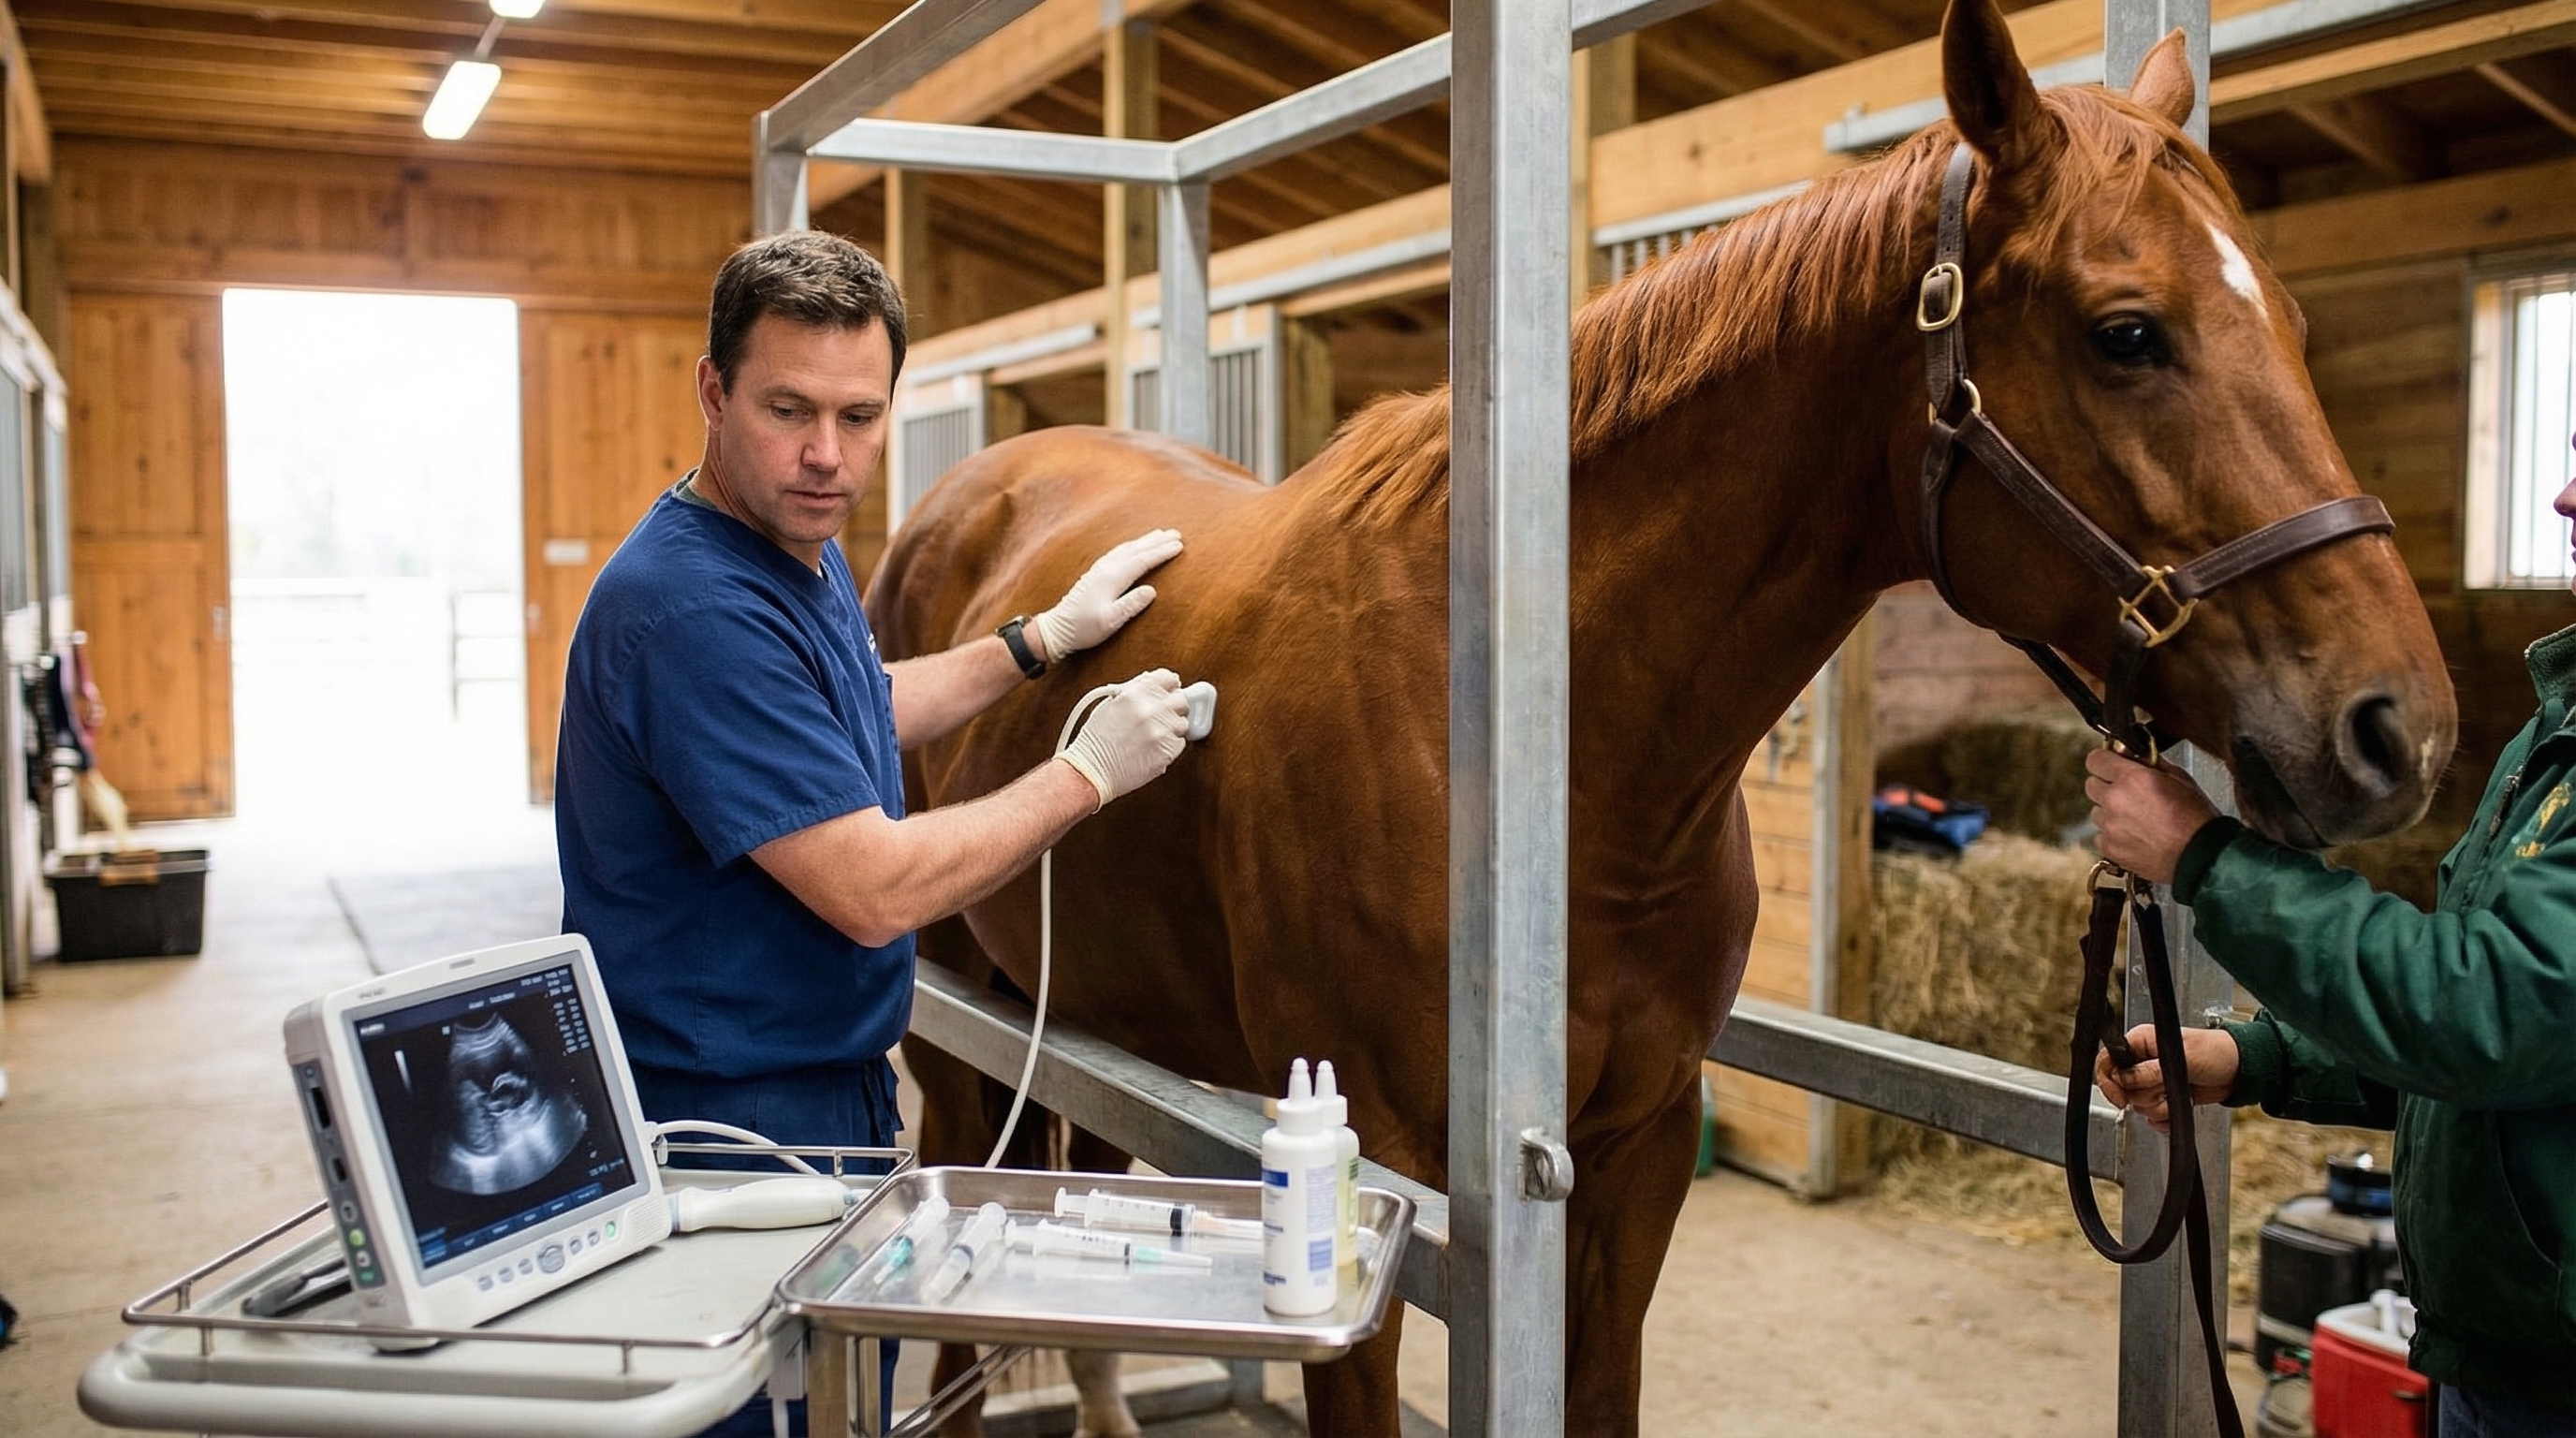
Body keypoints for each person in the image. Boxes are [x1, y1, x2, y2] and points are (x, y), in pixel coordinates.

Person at [553, 231, 1196, 1432]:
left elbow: (854, 706)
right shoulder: (692, 607)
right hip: (725, 1125)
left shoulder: (786, 548)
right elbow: (877, 889)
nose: (824, 456)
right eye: (787, 409)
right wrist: (1087, 775)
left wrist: (1033, 644)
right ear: (711, 389)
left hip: (821, 1096)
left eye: (859, 416)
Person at [2086, 475, 2576, 1436]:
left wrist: (2205, 859)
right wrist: (2256, 1058)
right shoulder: (2553, 731)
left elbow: (2482, 1013)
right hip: (2509, 1356)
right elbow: (2515, 1050)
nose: (2563, 497)